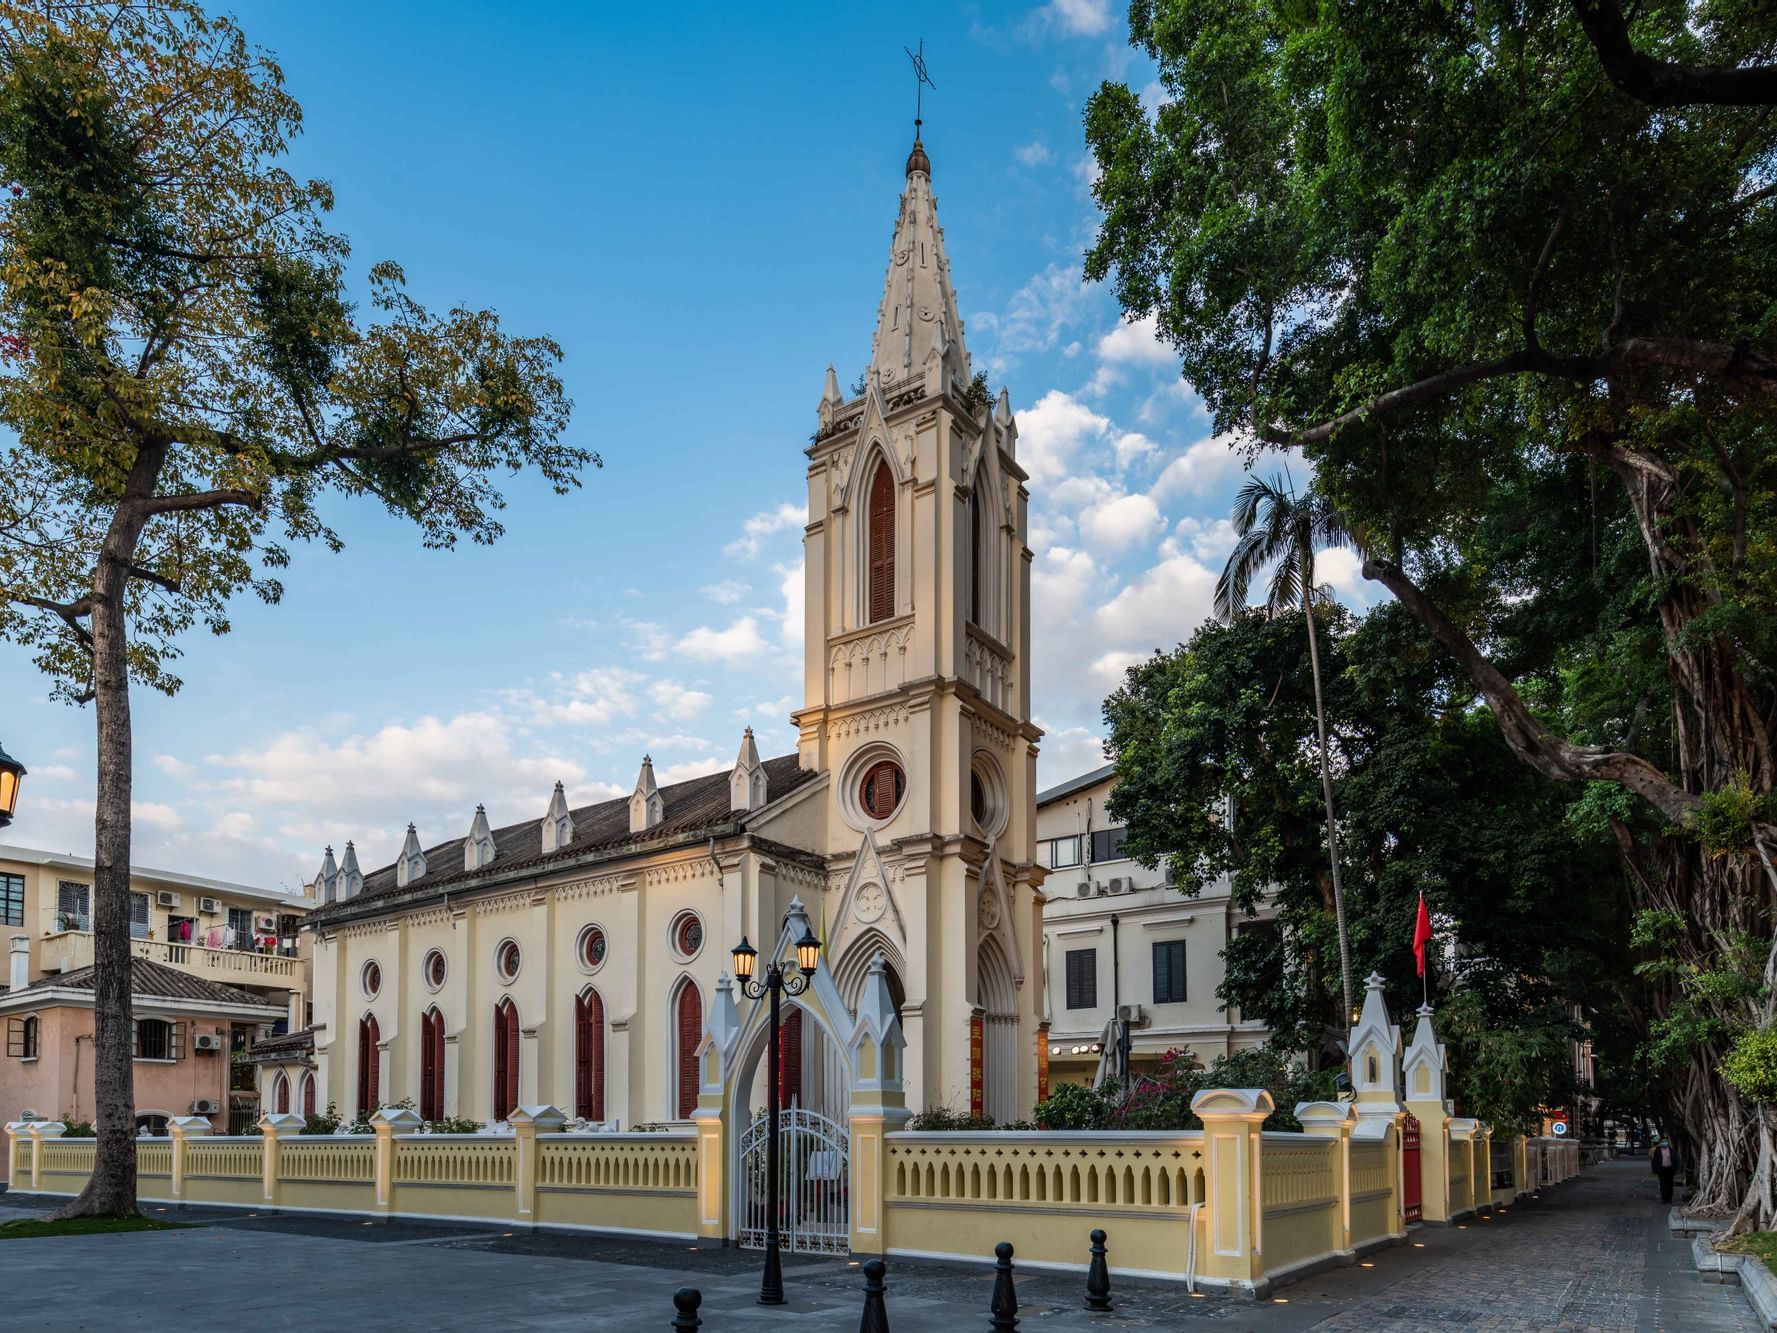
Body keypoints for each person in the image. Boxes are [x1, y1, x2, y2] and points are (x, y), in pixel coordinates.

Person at [1651, 1136, 1679, 1204]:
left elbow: (1676, 1159)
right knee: (1663, 1184)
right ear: (1660, 1143)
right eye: (1663, 1142)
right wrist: (1654, 1169)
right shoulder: (1657, 1151)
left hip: (1670, 1169)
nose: (1664, 1143)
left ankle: (1669, 1198)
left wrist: (1676, 1168)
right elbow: (1654, 1161)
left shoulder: (1672, 1150)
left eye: (1665, 1141)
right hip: (1661, 1169)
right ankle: (1664, 1198)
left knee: (1670, 1184)